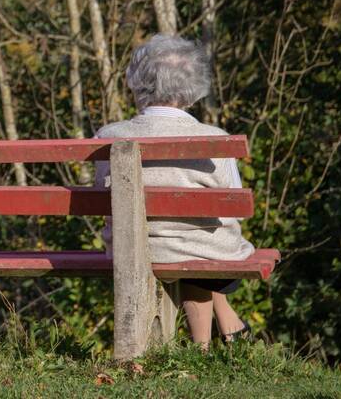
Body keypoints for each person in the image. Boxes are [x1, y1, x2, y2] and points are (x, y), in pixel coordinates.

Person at [95, 35, 254, 347]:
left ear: (136, 82)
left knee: (184, 238)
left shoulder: (109, 135)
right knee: (200, 238)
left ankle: (215, 337)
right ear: (192, 88)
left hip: (130, 249)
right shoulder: (214, 139)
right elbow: (233, 205)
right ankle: (204, 346)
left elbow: (100, 196)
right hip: (201, 253)